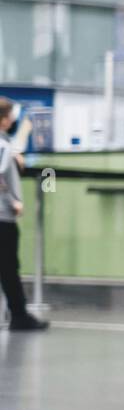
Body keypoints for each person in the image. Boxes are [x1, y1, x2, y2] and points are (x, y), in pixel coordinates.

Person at [0, 97, 48, 331]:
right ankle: (19, 314)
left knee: (8, 265)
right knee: (9, 266)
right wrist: (13, 201)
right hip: (2, 215)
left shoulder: (4, 144)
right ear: (5, 119)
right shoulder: (1, 145)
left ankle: (18, 312)